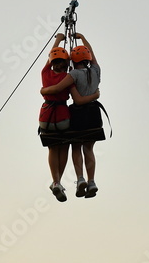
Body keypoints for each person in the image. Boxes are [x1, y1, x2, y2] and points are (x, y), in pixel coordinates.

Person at [41, 33, 103, 198]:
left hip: (50, 115)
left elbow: (76, 99)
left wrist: (43, 91)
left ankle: (64, 180)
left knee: (67, 147)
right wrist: (82, 38)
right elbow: (92, 54)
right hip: (92, 114)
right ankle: (91, 181)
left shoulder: (69, 75)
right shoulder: (96, 70)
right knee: (88, 148)